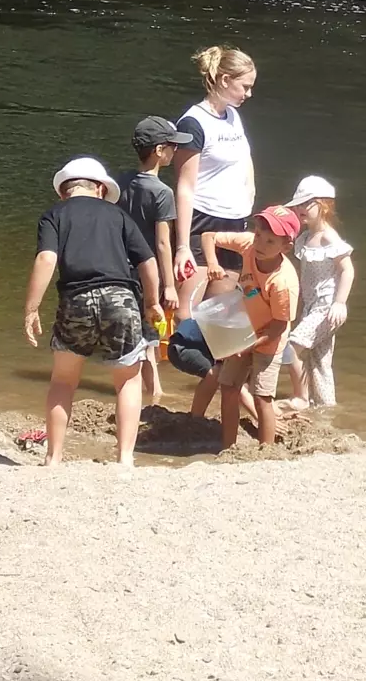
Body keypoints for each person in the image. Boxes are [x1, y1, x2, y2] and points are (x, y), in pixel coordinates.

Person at [22, 156, 163, 467]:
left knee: (63, 381)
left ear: (63, 192)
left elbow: (46, 260)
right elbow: (148, 262)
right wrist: (152, 302)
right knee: (127, 379)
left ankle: (54, 458)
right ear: (100, 189)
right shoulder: (119, 216)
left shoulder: (53, 215)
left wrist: (31, 309)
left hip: (76, 298)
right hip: (121, 298)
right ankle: (124, 459)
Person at [187, 205, 300, 450]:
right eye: (258, 234)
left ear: (286, 247)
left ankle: (266, 449)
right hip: (245, 330)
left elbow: (279, 326)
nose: (260, 244)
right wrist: (213, 262)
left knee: (262, 397)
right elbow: (208, 236)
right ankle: (229, 446)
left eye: (270, 241)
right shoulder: (249, 245)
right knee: (228, 388)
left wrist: (248, 346)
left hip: (269, 341)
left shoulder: (283, 282)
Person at [172, 46, 258, 317]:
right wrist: (183, 247)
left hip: (234, 223)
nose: (249, 94)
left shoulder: (233, 115)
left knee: (221, 314)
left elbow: (245, 157)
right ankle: (177, 358)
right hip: (201, 220)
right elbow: (184, 187)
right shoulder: (193, 123)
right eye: (245, 86)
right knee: (187, 311)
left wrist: (249, 196)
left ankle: (212, 361)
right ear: (224, 80)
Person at [120, 115, 194, 403]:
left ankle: (153, 388)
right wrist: (169, 286)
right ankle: (151, 392)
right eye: (173, 146)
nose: (176, 151)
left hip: (121, 267)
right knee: (149, 332)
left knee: (137, 328)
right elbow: (163, 243)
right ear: (159, 151)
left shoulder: (120, 181)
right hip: (148, 271)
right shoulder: (162, 193)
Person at [282, 175, 356, 409]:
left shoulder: (328, 236)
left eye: (307, 204)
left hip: (327, 309)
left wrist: (340, 303)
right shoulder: (304, 237)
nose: (300, 209)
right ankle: (324, 407)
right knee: (319, 361)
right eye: (298, 205)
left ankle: (300, 398)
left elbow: (347, 270)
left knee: (290, 347)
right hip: (311, 308)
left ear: (323, 206)